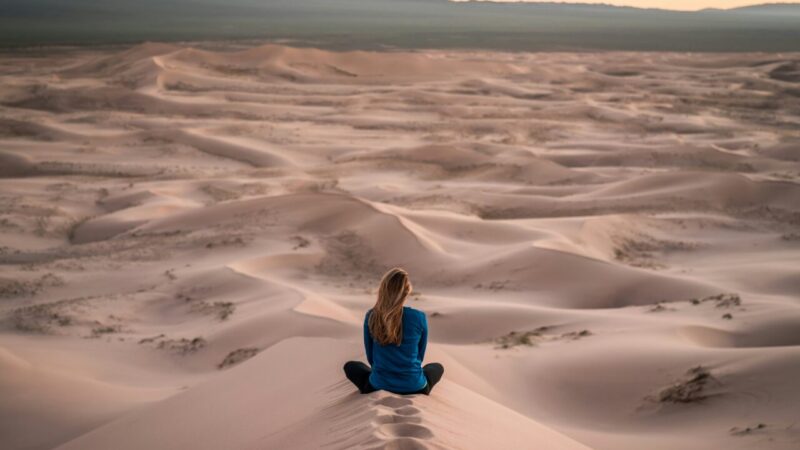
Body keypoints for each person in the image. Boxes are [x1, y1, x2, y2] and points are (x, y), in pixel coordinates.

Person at [343, 268, 444, 395]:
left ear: (382, 290)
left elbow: (371, 358)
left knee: (351, 366)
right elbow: (420, 356)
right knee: (437, 367)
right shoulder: (419, 317)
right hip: (415, 386)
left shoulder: (372, 316)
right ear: (407, 291)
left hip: (378, 385)